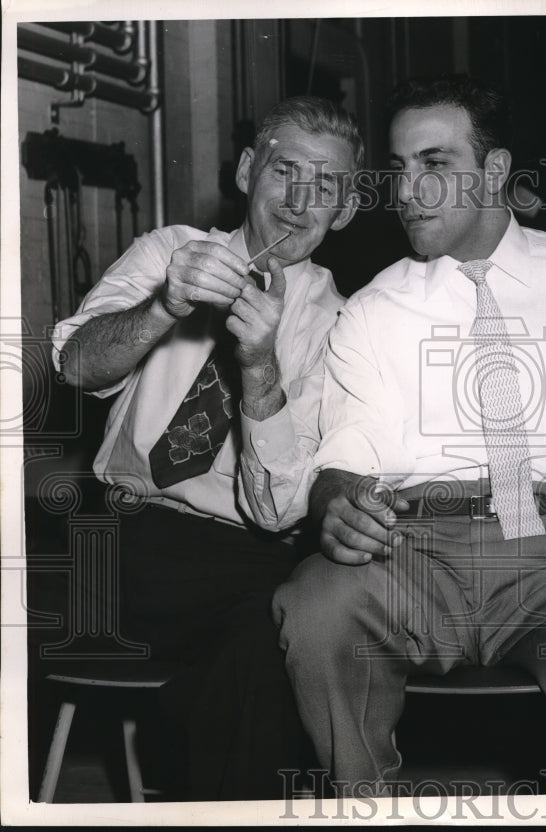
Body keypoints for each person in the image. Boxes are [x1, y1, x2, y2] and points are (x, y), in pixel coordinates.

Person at [272, 74, 546, 796]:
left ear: (494, 170)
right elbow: (350, 450)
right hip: (413, 554)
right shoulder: (375, 309)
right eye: (399, 170)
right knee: (313, 605)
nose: (407, 192)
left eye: (434, 164)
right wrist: (336, 501)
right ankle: (364, 807)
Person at [50, 95, 362, 799]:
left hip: (248, 552)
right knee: (269, 634)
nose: (300, 199)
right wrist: (165, 305)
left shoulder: (344, 326)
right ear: (250, 170)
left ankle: (199, 780)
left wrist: (260, 372)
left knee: (277, 628)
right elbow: (75, 366)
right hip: (124, 535)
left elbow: (281, 510)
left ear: (344, 210)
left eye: (327, 185)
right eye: (286, 171)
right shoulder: (168, 252)